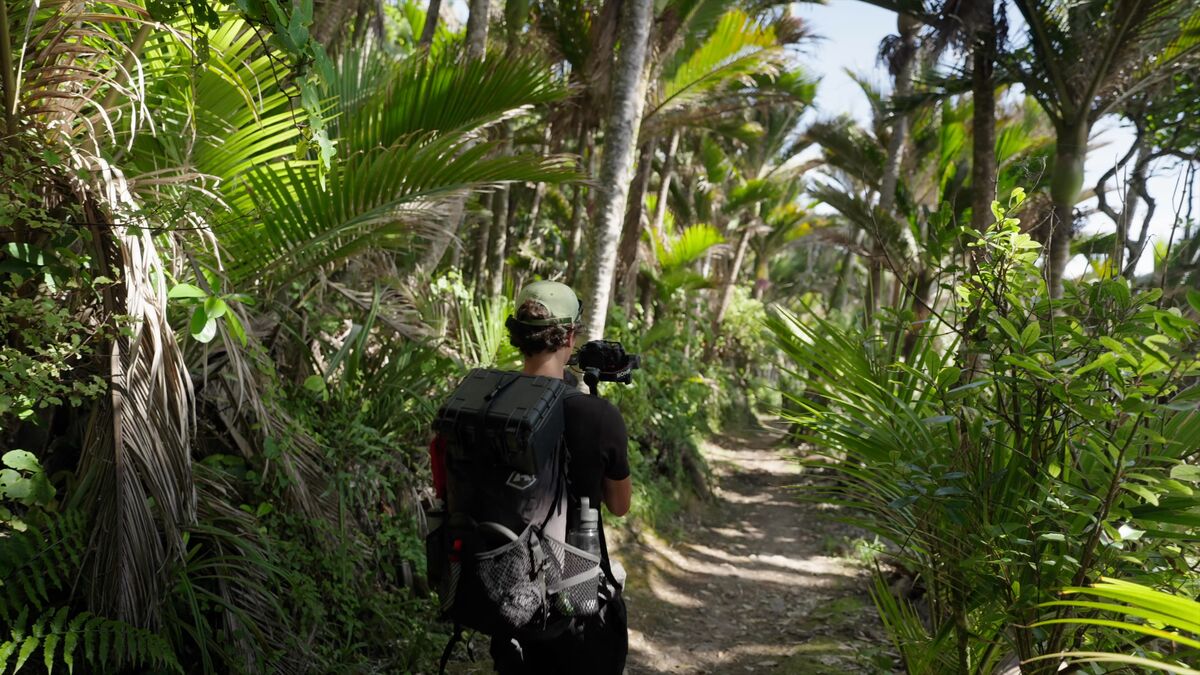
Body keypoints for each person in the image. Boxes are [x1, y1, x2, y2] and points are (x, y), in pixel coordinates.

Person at [490, 280, 632, 675]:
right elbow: (620, 506)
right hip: (577, 603)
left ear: (517, 335)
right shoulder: (597, 415)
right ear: (570, 335)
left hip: (506, 597)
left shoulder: (485, 401)